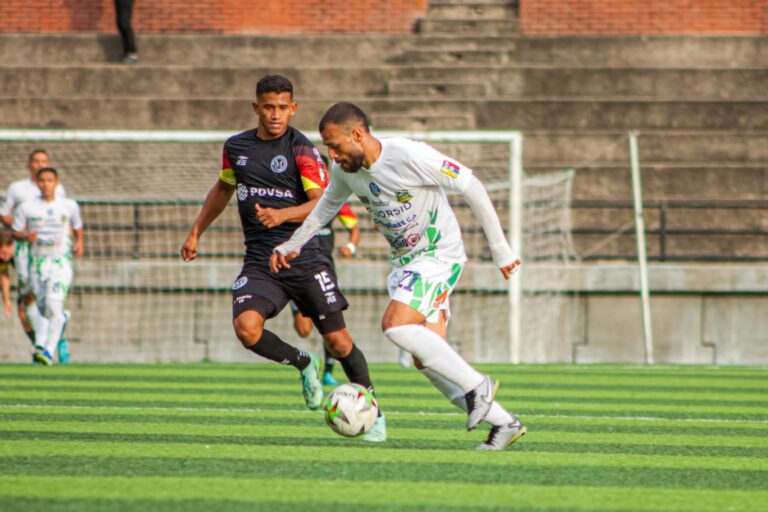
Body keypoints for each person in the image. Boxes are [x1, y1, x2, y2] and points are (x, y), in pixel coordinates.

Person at [271, 102, 526, 451]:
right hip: (405, 263)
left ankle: (478, 386)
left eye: (335, 145)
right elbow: (326, 207)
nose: (331, 154)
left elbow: (471, 185)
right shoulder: (344, 169)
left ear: (358, 134)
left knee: (395, 324)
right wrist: (292, 245)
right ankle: (503, 423)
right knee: (426, 358)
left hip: (438, 254)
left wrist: (501, 251)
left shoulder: (409, 155)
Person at [180, 75, 386, 442]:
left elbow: (323, 204)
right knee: (247, 329)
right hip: (261, 259)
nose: (276, 115)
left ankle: (376, 412)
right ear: (256, 107)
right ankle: (304, 363)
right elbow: (224, 188)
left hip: (305, 256)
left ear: (293, 109)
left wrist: (283, 215)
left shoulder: (302, 149)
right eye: (268, 107)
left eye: (282, 108)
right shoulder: (236, 147)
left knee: (338, 342)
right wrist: (197, 230)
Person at [290, 154, 361, 387]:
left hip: (324, 268)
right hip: (299, 268)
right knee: (303, 329)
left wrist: (350, 246)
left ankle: (329, 370)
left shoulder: (334, 197)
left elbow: (354, 227)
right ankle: (309, 360)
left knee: (330, 326)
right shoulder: (297, 200)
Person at [0, 149, 70, 361]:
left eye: (44, 161)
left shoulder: (60, 192)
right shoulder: (18, 189)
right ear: (29, 165)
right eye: (36, 161)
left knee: (51, 297)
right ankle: (45, 338)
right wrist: (20, 234)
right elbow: (4, 214)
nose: (40, 165)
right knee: (29, 295)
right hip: (24, 249)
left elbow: (63, 218)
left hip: (52, 253)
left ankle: (43, 345)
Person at [12, 167, 83, 366]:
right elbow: (15, 232)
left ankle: (47, 352)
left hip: (60, 262)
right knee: (45, 310)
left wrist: (79, 243)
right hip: (37, 263)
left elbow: (78, 227)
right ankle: (63, 318)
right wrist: (26, 236)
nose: (46, 184)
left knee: (53, 306)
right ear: (37, 183)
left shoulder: (68, 206)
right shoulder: (27, 207)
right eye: (42, 181)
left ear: (56, 182)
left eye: (50, 180)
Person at [0, 231, 14, 319]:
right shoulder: (3, 258)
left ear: (11, 245)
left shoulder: (24, 254)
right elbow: (3, 274)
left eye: (3, 252)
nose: (1, 256)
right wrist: (7, 300)